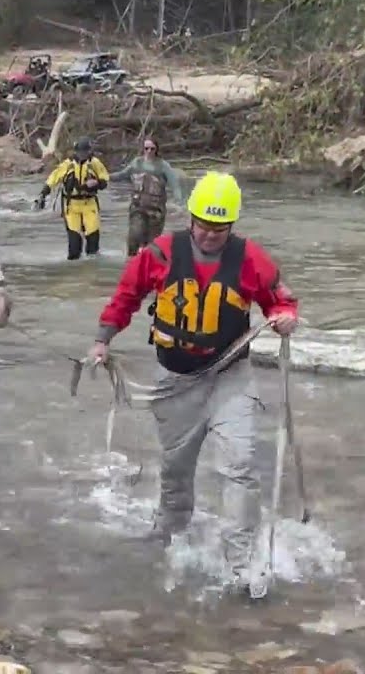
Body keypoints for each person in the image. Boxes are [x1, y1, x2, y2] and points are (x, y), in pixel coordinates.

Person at [89, 171, 300, 593]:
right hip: (175, 380)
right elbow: (125, 298)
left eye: (219, 229)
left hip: (230, 377)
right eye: (202, 225)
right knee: (176, 468)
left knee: (240, 465)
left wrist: (284, 318)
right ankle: (169, 533)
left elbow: (280, 298)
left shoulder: (250, 259)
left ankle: (241, 563)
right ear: (190, 218)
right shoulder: (160, 254)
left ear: (232, 225)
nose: (208, 235)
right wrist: (102, 341)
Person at [36, 137, 110, 260]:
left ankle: (92, 266)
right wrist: (43, 194)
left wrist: (96, 183)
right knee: (74, 247)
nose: (83, 155)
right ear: (75, 152)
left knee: (92, 243)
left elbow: (105, 180)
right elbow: (54, 178)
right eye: (80, 152)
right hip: (72, 206)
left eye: (85, 152)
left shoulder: (95, 163)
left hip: (89, 204)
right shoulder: (68, 164)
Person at [111, 138, 184, 255]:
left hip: (156, 212)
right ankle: (131, 264)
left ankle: (149, 267)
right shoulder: (136, 163)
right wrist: (104, 177)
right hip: (137, 208)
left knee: (152, 245)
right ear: (143, 149)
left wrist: (179, 201)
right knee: (134, 236)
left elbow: (174, 184)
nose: (149, 151)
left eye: (152, 149)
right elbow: (122, 175)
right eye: (146, 148)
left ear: (156, 150)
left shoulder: (163, 166)